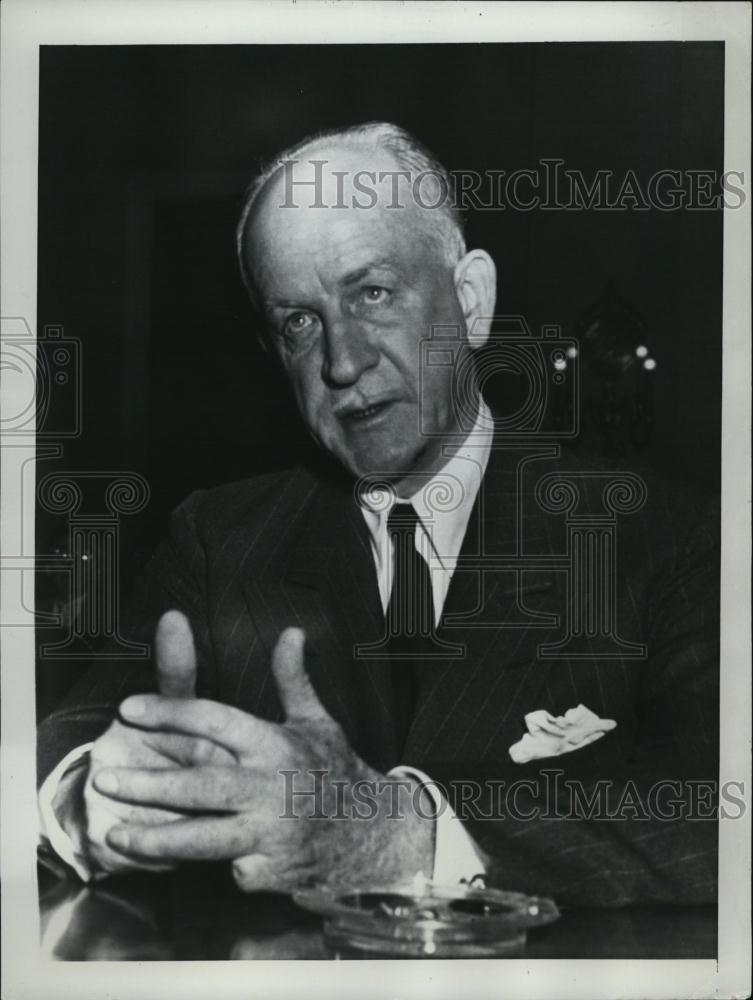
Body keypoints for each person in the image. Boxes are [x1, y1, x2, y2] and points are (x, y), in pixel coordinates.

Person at [38, 122, 719, 906]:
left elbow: (717, 811)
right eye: (298, 321)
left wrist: (403, 834)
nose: (341, 360)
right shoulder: (217, 541)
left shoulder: (667, 536)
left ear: (470, 301)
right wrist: (95, 803)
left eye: (372, 292)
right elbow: (62, 747)